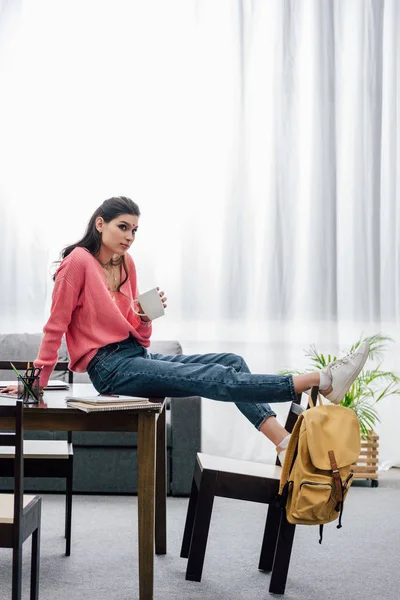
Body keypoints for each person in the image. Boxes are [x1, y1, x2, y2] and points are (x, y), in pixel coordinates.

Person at [0, 196, 370, 463]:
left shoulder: (126, 264)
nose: (129, 236)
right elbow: (55, 326)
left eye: (134, 230)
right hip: (108, 369)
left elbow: (139, 338)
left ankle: (281, 441)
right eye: (122, 227)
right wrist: (36, 382)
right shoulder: (77, 262)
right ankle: (317, 380)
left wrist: (143, 316)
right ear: (101, 224)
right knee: (212, 376)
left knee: (231, 360)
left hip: (133, 356)